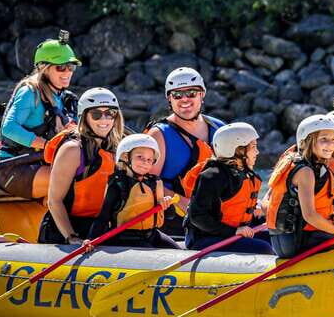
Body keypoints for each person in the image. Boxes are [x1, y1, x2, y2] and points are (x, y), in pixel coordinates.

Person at [0, 30, 79, 199]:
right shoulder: (29, 92)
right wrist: (46, 145)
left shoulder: (63, 97)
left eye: (71, 67)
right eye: (60, 67)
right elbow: (8, 128)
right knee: (74, 181)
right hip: (12, 168)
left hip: (39, 165)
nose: (67, 72)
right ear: (43, 68)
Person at [38, 88, 123, 244]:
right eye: (96, 114)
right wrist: (71, 237)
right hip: (66, 231)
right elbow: (54, 201)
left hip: (98, 228)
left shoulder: (114, 147)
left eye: (110, 113)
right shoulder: (72, 149)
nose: (104, 120)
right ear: (84, 117)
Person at [146, 67, 224, 238]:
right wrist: (183, 202)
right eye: (177, 95)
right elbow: (146, 182)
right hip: (176, 222)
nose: (185, 99)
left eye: (191, 93)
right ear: (169, 99)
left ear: (202, 94)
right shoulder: (158, 134)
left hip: (218, 218)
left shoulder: (220, 129)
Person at [266, 115, 334, 258]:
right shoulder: (305, 171)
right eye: (323, 139)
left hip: (295, 237)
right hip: (294, 241)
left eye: (333, 140)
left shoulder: (313, 165)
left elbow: (328, 209)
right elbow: (309, 215)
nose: (330, 145)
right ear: (307, 141)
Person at [184, 122, 273, 254]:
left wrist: (258, 213)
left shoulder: (246, 174)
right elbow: (197, 216)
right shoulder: (212, 176)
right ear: (237, 150)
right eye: (253, 147)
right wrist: (233, 231)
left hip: (231, 234)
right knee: (263, 248)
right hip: (205, 238)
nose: (257, 152)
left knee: (273, 238)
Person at [88, 134, 179, 249]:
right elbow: (103, 216)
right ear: (126, 157)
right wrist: (91, 239)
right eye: (140, 157)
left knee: (177, 251)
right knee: (148, 250)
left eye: (150, 159)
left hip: (152, 233)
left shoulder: (154, 183)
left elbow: (170, 216)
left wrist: (167, 205)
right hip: (125, 236)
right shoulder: (118, 184)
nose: (145, 162)